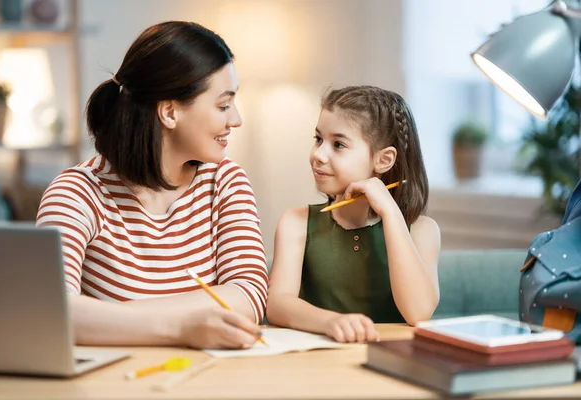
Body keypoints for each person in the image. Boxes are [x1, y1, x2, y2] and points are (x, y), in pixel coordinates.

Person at [36, 21, 268, 349]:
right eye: (223, 105)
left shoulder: (226, 182)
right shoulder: (77, 192)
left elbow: (250, 295)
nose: (236, 119)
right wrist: (182, 328)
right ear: (170, 112)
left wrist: (107, 318)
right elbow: (52, 311)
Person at [266, 86, 440, 343]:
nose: (318, 155)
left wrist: (391, 213)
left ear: (384, 160)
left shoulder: (423, 230)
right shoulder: (296, 223)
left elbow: (419, 312)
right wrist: (331, 322)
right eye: (318, 139)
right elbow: (277, 305)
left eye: (338, 144)